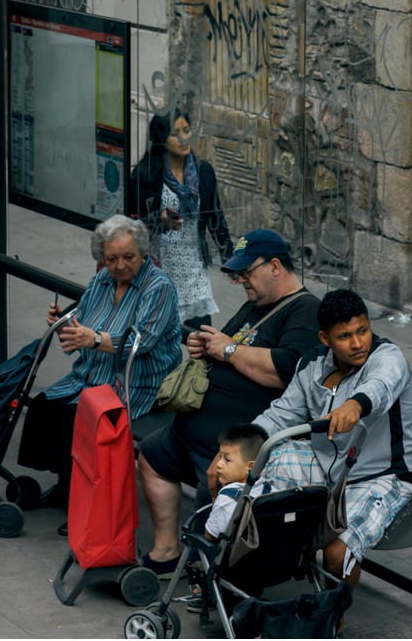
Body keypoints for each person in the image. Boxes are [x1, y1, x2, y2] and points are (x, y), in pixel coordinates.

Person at [136, 229, 321, 573]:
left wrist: (229, 350)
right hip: (193, 432)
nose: (240, 282)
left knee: (220, 487)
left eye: (246, 273)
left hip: (237, 444)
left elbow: (287, 371)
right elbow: (228, 346)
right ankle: (168, 551)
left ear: (276, 266)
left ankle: (207, 571)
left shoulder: (306, 310)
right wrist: (207, 345)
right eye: (237, 274)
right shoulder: (257, 303)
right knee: (150, 454)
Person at [251, 288, 412, 594]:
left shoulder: (388, 357)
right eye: (344, 336)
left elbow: (381, 386)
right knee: (253, 473)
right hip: (330, 468)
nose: (358, 343)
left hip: (384, 475)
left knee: (337, 553)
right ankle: (244, 573)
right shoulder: (312, 364)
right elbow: (281, 415)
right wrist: (238, 449)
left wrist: (355, 405)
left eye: (363, 331)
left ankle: (334, 619)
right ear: (325, 339)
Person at [17, 214, 182, 533]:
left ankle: (87, 500)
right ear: (102, 257)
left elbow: (140, 342)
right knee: (44, 407)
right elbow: (85, 320)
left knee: (81, 419)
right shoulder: (101, 281)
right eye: (111, 259)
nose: (120, 266)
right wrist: (64, 321)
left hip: (137, 382)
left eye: (128, 257)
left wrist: (93, 338)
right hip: (92, 376)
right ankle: (67, 486)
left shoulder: (158, 286)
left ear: (143, 252)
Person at [131, 109, 233, 340]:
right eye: (176, 133)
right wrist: (160, 222)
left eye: (187, 130)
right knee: (159, 340)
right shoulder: (145, 174)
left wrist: (232, 261)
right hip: (159, 269)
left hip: (194, 270)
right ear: (161, 139)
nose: (184, 138)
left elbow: (216, 216)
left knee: (201, 341)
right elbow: (132, 227)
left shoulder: (203, 171)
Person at [202, 423, 269, 543]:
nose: (218, 464)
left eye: (227, 459)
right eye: (220, 456)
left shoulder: (228, 498)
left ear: (250, 467)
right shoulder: (267, 487)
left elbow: (211, 535)